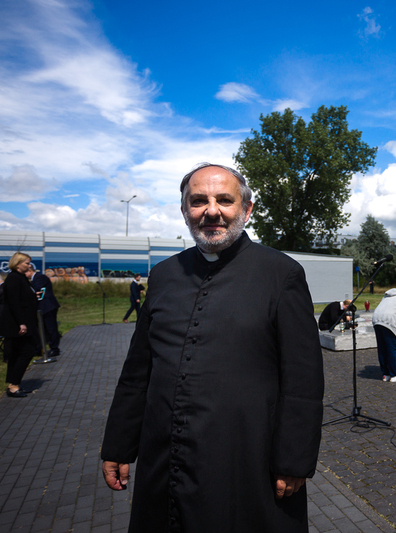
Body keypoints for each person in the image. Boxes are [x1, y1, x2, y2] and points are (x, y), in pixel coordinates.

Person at [101, 163, 325, 532]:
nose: (211, 211)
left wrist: (294, 458)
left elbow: (303, 377)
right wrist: (118, 444)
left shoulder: (281, 274)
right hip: (166, 458)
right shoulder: (164, 275)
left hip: (246, 460)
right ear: (184, 209)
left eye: (224, 200)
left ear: (247, 209)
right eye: (198, 201)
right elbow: (138, 370)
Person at [0, 253, 39, 398]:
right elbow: (14, 303)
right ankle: (14, 385)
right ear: (18, 264)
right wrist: (21, 323)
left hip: (23, 321)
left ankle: (12, 384)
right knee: (27, 351)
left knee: (16, 354)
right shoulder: (14, 279)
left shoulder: (21, 278)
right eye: (27, 263)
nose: (29, 266)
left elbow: (22, 297)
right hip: (17, 324)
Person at [29, 267, 61, 357]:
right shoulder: (35, 278)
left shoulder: (39, 277)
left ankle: (54, 348)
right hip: (42, 307)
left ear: (29, 271)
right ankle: (40, 348)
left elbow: (37, 289)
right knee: (43, 328)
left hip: (48, 306)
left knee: (51, 327)